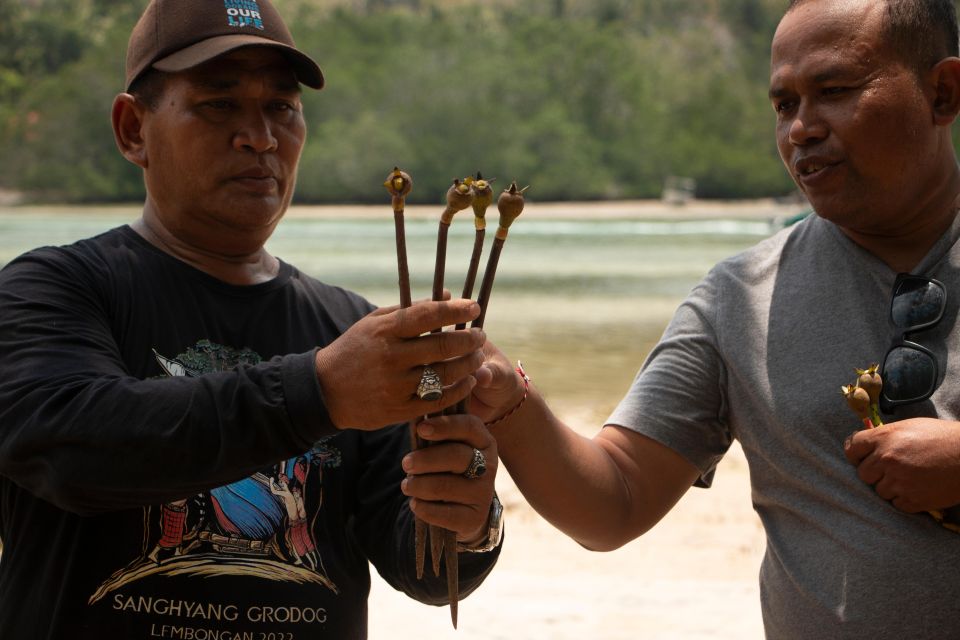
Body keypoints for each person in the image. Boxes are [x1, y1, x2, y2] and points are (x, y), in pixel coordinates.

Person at [0, 0, 504, 637]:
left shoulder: (349, 327)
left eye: (281, 108)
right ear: (133, 130)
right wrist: (318, 392)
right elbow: (72, 452)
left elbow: (427, 571)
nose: (260, 137)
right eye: (218, 103)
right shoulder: (50, 290)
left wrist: (469, 513)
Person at [456, 0, 960, 637]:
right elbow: (615, 498)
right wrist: (508, 401)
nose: (801, 128)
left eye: (834, 90)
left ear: (942, 93)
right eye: (784, 105)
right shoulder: (740, 299)